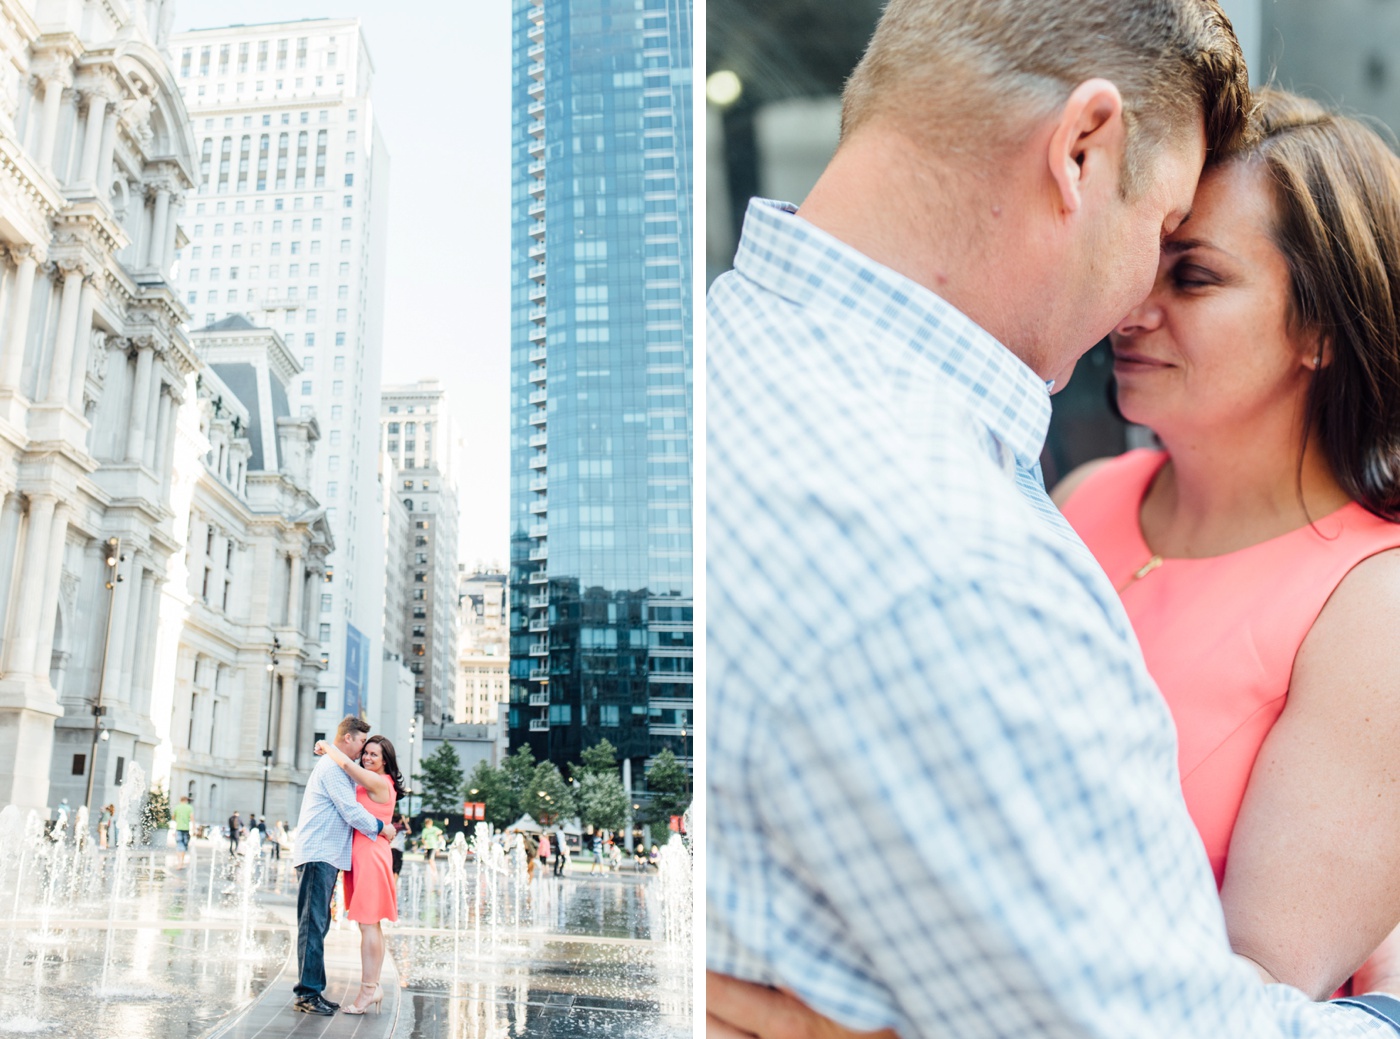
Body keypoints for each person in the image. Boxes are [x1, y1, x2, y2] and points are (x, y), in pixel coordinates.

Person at [706, 0, 1400, 1035]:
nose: (1133, 307)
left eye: (1190, 266)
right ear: (1080, 152)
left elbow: (1205, 989)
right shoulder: (1018, 530)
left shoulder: (1366, 602)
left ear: (1320, 328)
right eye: (1155, 237)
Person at [290, 715, 395, 1017]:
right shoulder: (333, 768)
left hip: (328, 855)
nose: (364, 752)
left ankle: (312, 990)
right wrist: (381, 827)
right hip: (319, 853)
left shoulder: (341, 767)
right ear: (348, 738)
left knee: (318, 924)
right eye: (362, 743)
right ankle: (307, 993)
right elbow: (350, 811)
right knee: (313, 925)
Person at [314, 734, 406, 1016]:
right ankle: (373, 986)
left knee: (368, 925)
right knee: (371, 925)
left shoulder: (378, 781)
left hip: (370, 855)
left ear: (386, 760)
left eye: (374, 755)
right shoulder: (377, 780)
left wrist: (327, 747)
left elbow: (347, 767)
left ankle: (368, 990)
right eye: (365, 752)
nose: (366, 758)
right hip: (367, 852)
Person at [171, 795, 194, 869]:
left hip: (178, 829)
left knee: (179, 845)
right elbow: (192, 818)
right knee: (184, 846)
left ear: (180, 800)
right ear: (186, 800)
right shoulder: (189, 807)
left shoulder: (177, 807)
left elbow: (173, 817)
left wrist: (178, 820)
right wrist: (194, 828)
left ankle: (179, 862)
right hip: (186, 829)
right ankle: (182, 862)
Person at [389, 813, 410, 890]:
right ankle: (394, 885)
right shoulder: (401, 828)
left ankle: (390, 884)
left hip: (390, 848)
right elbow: (409, 830)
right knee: (397, 868)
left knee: (391, 866)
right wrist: (404, 821)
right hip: (398, 849)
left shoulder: (391, 826)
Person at [420, 817, 443, 883]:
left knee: (431, 859)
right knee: (429, 859)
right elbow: (423, 838)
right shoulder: (425, 830)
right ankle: (432, 870)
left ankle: (434, 871)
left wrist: (437, 833)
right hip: (428, 846)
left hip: (433, 846)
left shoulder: (434, 829)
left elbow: (440, 831)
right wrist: (425, 844)